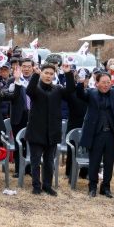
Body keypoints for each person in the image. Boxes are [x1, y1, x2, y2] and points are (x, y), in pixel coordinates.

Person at [76, 69, 114, 197]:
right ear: (97, 83)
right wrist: (80, 82)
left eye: (108, 82)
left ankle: (105, 187)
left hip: (111, 134)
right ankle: (92, 187)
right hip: (96, 134)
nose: (106, 85)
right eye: (103, 82)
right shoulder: (91, 93)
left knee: (109, 162)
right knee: (94, 162)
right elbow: (80, 94)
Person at [24, 63, 74, 196]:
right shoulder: (36, 88)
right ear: (41, 73)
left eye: (51, 74)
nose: (48, 76)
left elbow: (70, 91)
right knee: (35, 161)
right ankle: (36, 186)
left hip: (52, 132)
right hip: (36, 132)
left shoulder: (57, 89)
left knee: (49, 162)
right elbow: (29, 91)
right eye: (46, 73)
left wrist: (68, 74)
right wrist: (35, 75)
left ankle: (47, 186)